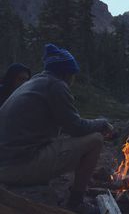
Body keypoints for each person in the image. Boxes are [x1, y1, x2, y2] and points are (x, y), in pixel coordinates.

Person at [0, 44, 112, 214]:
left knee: (65, 141)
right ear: (67, 73)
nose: (74, 78)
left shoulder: (35, 82)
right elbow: (76, 127)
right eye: (73, 74)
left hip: (7, 161)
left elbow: (67, 125)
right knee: (96, 140)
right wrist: (102, 123)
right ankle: (76, 202)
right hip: (18, 167)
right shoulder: (56, 85)